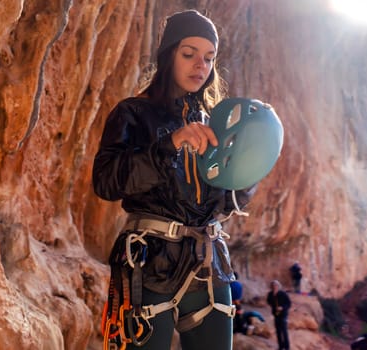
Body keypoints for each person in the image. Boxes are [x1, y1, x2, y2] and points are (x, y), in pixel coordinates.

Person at [93, 9, 256, 350]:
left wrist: (250, 170)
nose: (201, 65)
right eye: (189, 54)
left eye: (209, 58)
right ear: (169, 55)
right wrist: (171, 143)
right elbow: (106, 182)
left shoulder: (216, 122)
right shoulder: (133, 112)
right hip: (149, 262)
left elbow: (225, 202)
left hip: (210, 263)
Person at [267, 280, 291, 350]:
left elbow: (289, 303)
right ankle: (280, 346)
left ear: (278, 286)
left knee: (284, 331)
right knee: (278, 331)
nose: (274, 287)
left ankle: (287, 347)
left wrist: (282, 307)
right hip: (276, 314)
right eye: (273, 285)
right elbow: (268, 301)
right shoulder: (270, 294)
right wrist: (274, 304)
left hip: (283, 314)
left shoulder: (283, 294)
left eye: (275, 285)